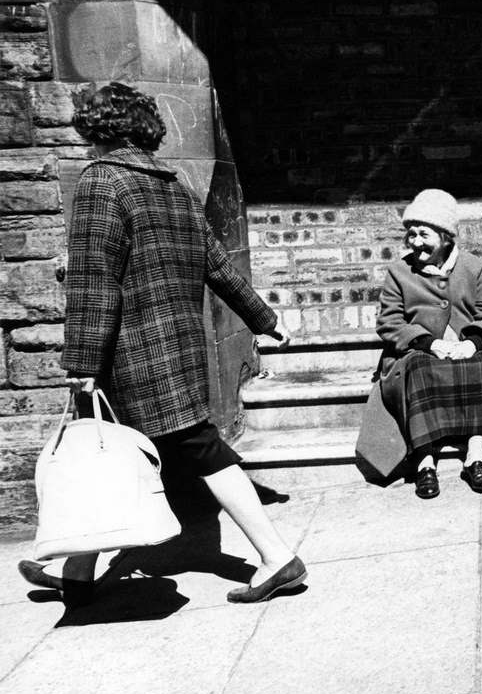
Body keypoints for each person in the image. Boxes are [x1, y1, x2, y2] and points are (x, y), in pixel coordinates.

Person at [17, 82, 306, 606]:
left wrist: (82, 361)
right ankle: (79, 577)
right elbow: (217, 267)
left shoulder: (102, 184)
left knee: (172, 448)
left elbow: (94, 280)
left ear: (95, 129)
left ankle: (276, 556)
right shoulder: (175, 187)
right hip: (179, 349)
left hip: (131, 354)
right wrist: (264, 320)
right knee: (118, 447)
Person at [357, 188, 482, 499]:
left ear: (445, 237)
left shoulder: (472, 267)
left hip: (464, 348)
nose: (414, 242)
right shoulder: (399, 272)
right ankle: (425, 462)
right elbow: (389, 323)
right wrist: (428, 343)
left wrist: (472, 343)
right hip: (416, 351)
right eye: (411, 234)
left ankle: (475, 457)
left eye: (423, 234)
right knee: (420, 370)